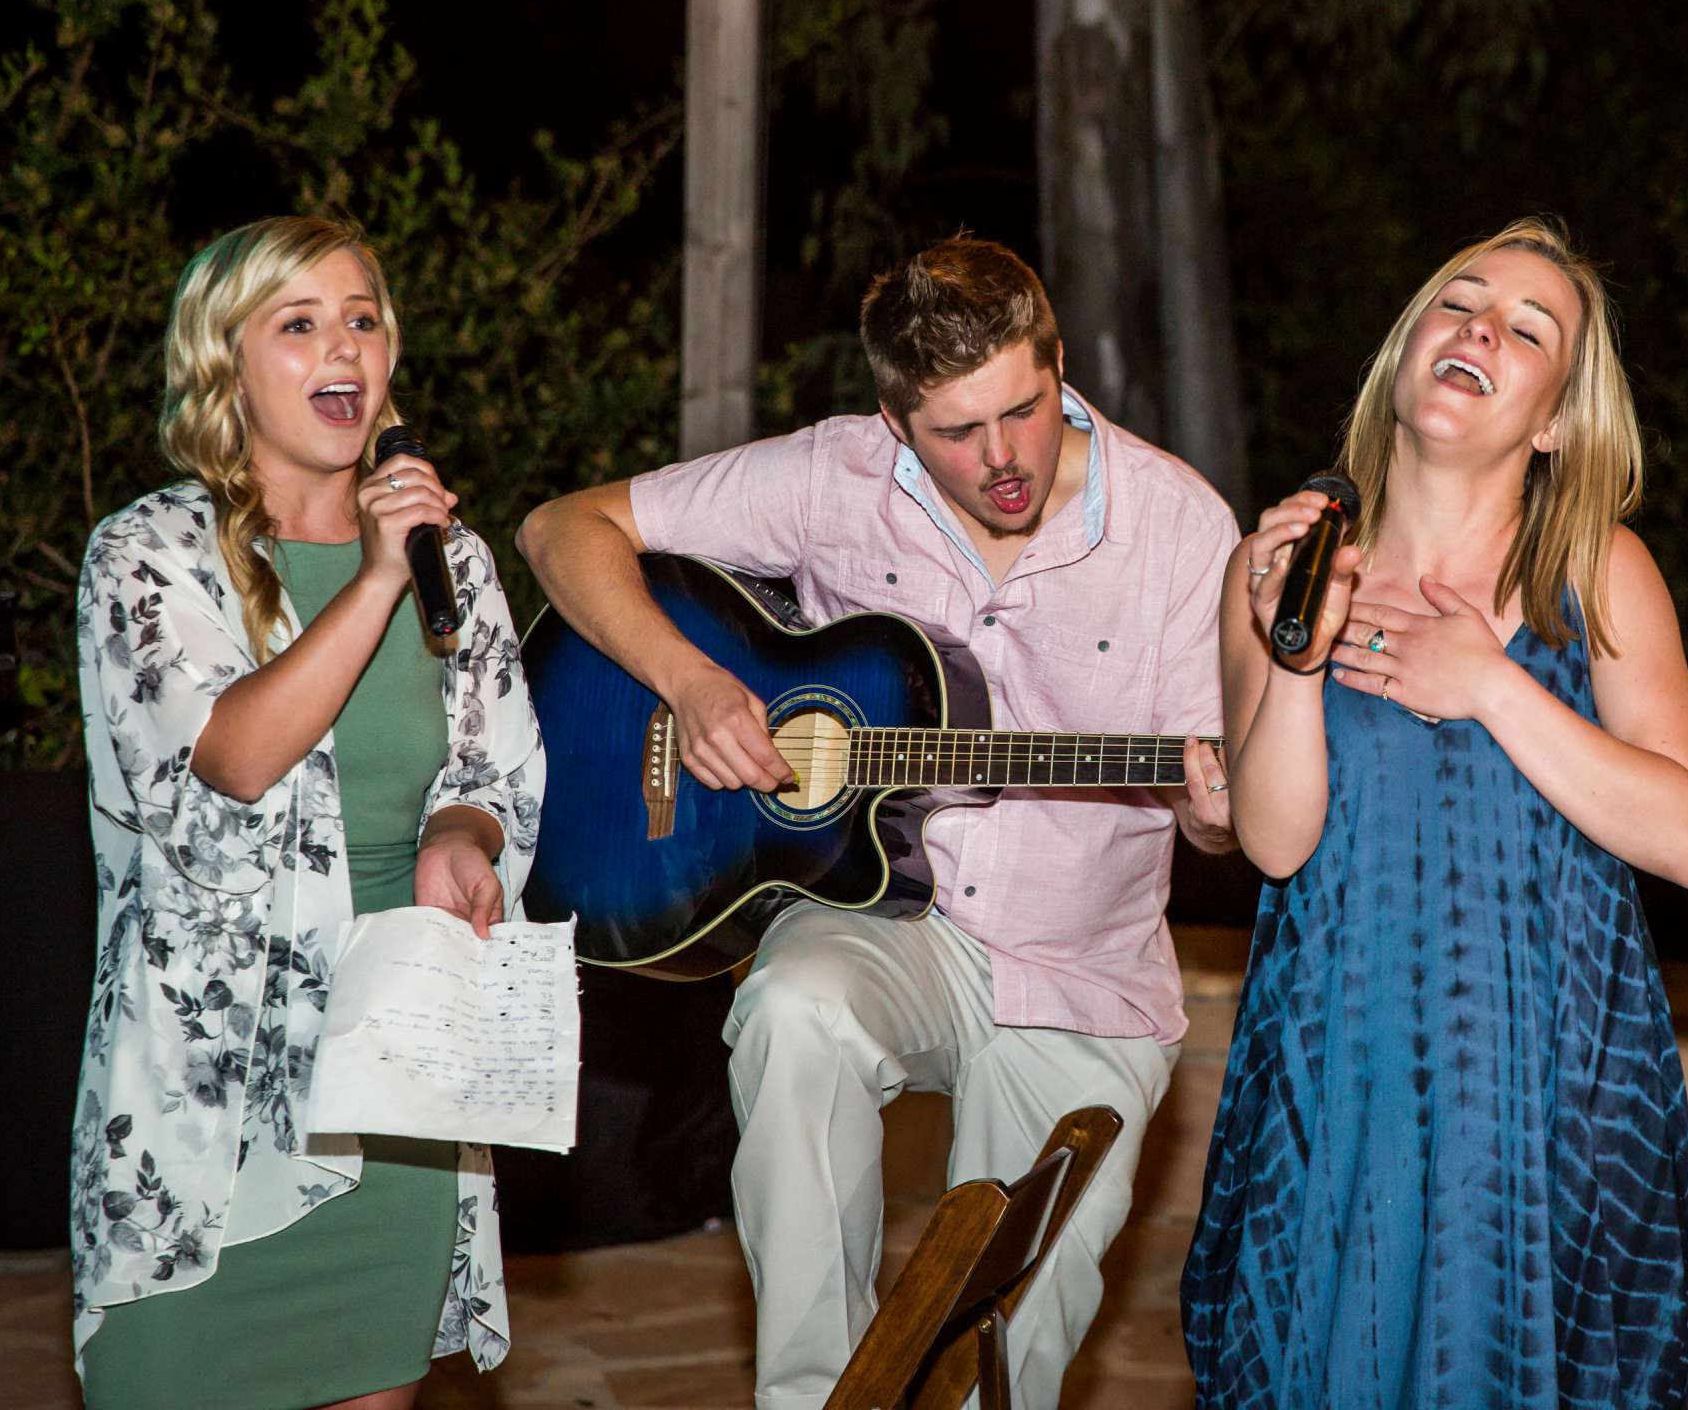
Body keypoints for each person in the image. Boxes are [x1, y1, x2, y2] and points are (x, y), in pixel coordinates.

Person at [518, 234, 1239, 1408]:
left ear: (1059, 365)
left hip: (1083, 971)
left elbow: (1219, 816)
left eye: (1024, 409)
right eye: (959, 431)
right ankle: (816, 1396)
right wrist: (694, 681)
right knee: (794, 1011)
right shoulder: (832, 476)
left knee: (998, 1359)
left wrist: (1218, 817)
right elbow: (563, 530)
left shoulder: (1181, 531)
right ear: (896, 422)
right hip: (884, 915)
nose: (1003, 458)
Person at [1180, 218, 1688, 1408]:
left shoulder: (1598, 572)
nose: (1479, 327)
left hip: (1538, 1100)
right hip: (1337, 1083)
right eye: (1459, 303)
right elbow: (1273, 839)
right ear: (1407, 349)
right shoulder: (1277, 566)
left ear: (1556, 420)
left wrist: (1490, 685)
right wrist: (1296, 650)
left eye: (1528, 329)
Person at [68, 216, 545, 1410]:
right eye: (301, 322)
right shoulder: (148, 554)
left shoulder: (458, 562)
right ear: (226, 360)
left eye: (363, 318)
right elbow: (230, 755)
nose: (344, 344)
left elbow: (494, 765)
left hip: (393, 1081)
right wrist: (378, 574)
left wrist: (461, 833)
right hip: (205, 1091)